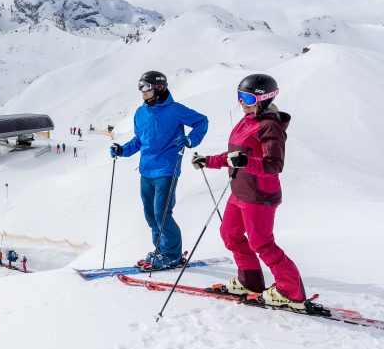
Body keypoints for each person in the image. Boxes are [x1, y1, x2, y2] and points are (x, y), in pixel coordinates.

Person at [191, 74, 307, 309]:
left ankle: (290, 292)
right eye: (239, 96)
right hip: (240, 191)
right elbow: (236, 154)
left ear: (263, 99)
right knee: (230, 234)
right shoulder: (247, 120)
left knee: (262, 243)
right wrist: (209, 160)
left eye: (247, 97)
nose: (241, 102)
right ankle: (251, 281)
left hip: (259, 195)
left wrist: (245, 162)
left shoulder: (269, 126)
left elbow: (274, 165)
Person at [111, 70, 208, 270]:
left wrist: (190, 139)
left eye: (145, 87)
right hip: (146, 169)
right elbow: (139, 140)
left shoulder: (175, 110)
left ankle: (172, 254)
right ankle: (161, 250)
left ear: (158, 87)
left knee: (162, 212)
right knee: (150, 214)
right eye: (140, 87)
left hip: (166, 168)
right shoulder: (140, 113)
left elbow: (201, 121)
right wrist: (122, 150)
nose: (142, 92)